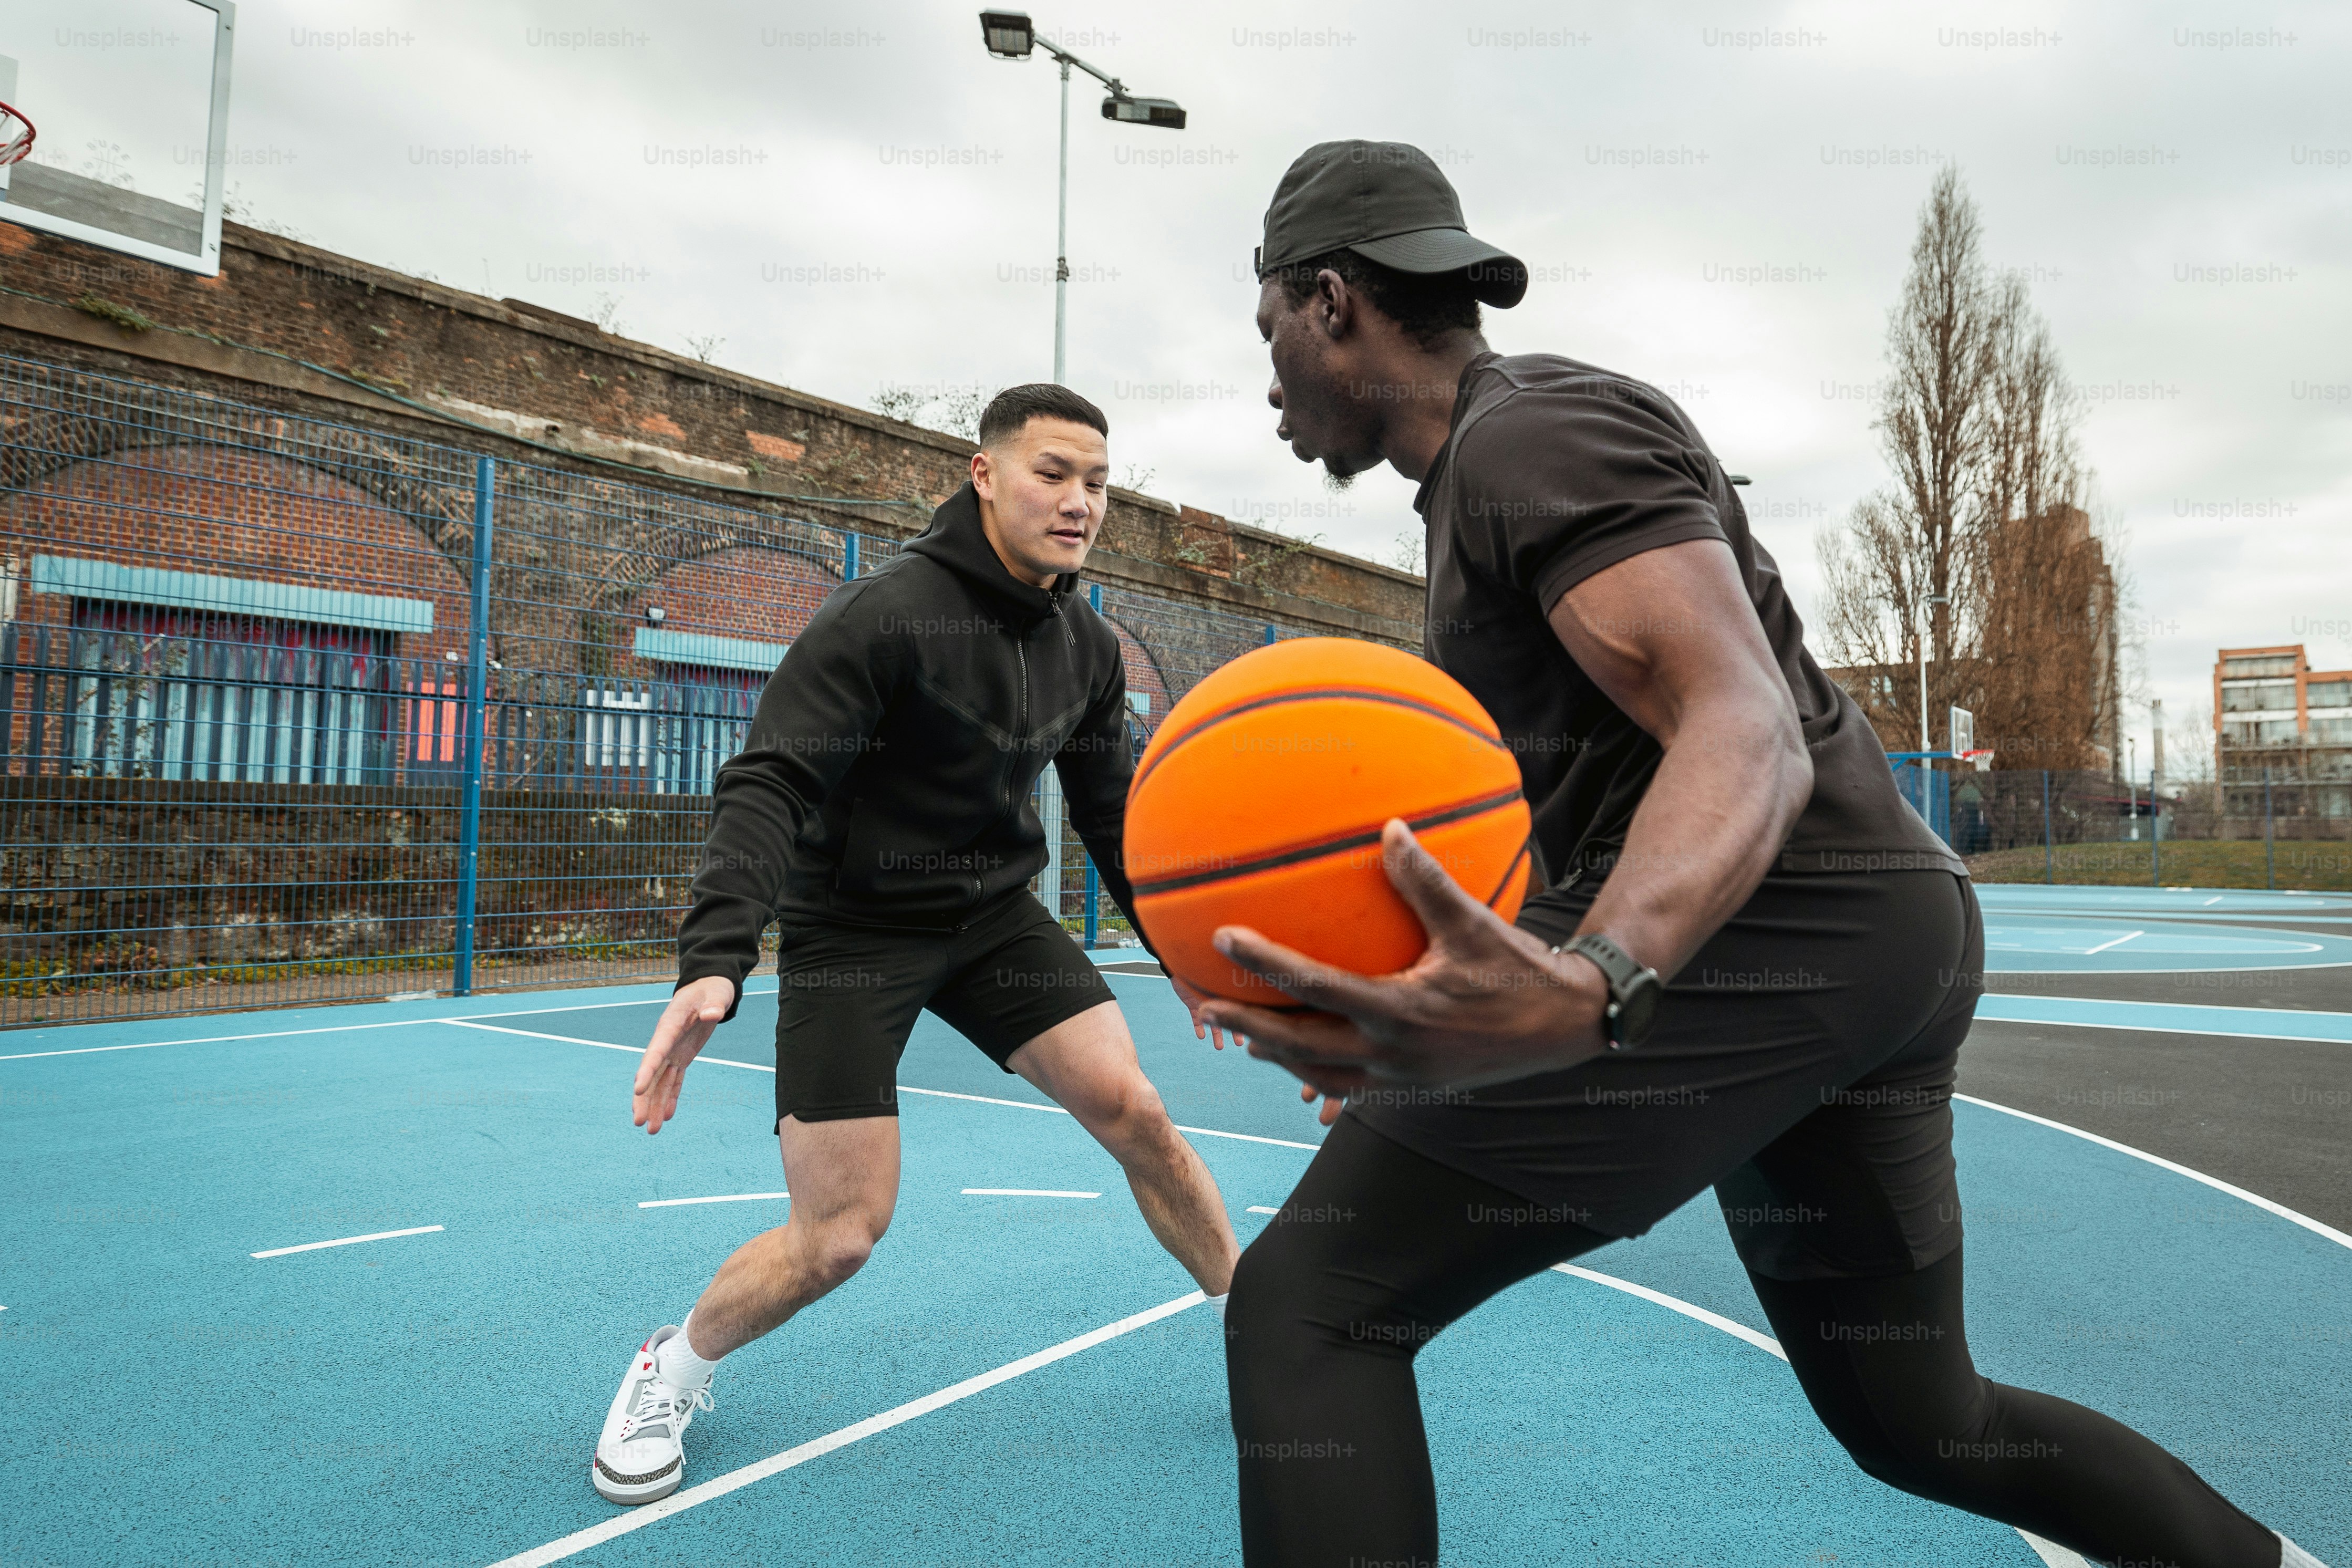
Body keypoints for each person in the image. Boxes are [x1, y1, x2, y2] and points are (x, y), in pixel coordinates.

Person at [1196, 140, 2325, 1568]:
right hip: (1868, 937)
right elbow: (1599, 798)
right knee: (1918, 1416)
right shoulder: (1498, 463)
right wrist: (1444, 1004)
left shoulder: (1526, 437)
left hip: (1767, 931)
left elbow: (1738, 719)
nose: (1271, 385)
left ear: (1331, 297)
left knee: (1309, 1303)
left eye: (1269, 338)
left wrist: (1594, 977)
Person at [593, 383, 1239, 1505]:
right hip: (856, 926)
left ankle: (1260, 1325)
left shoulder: (1087, 646)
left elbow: (1112, 814)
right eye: (1053, 471)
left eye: (1098, 481)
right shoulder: (882, 615)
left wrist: (1183, 946)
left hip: (991, 918)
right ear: (983, 473)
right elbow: (771, 778)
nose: (1079, 499)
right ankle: (671, 1364)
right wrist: (716, 955)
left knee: (1135, 1109)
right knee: (840, 1235)